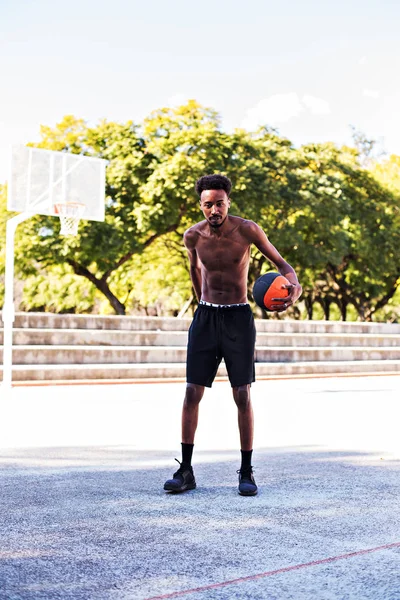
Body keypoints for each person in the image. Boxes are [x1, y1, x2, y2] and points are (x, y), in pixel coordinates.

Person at [164, 174, 302, 495]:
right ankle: (185, 470)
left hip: (238, 317)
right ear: (201, 205)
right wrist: (202, 304)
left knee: (242, 394)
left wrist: (294, 290)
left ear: (228, 203)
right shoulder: (192, 237)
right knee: (191, 392)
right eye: (208, 204)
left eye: (220, 203)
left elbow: (283, 265)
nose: (214, 210)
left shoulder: (248, 230)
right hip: (206, 316)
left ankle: (247, 471)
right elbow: (194, 271)